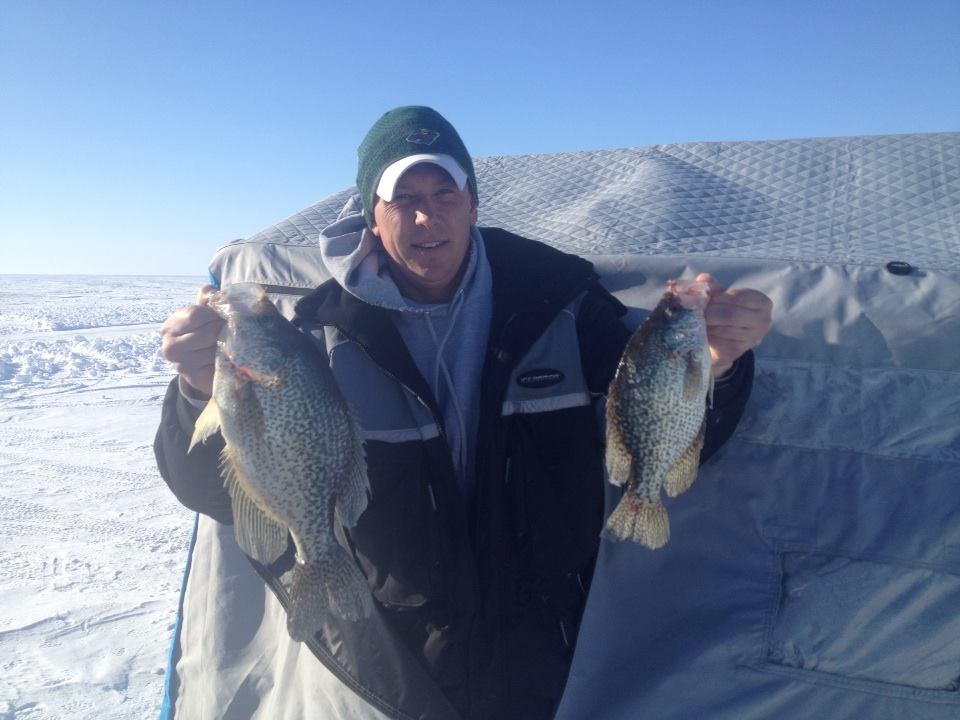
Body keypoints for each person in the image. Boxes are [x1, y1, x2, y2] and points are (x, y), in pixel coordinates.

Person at [155, 106, 773, 720]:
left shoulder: (563, 306)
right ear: (372, 217)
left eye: (444, 192)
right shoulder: (316, 339)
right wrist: (197, 386)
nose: (427, 216)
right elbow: (213, 489)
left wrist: (717, 364)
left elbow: (658, 425)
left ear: (473, 205)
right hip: (395, 662)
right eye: (403, 199)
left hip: (550, 655)